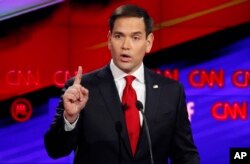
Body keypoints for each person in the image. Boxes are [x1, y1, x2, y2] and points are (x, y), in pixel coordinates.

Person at [44, 4, 200, 164]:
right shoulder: (82, 89)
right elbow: (55, 150)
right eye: (119, 36)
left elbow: (185, 155)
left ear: (149, 42)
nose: (126, 46)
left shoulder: (171, 92)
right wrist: (70, 117)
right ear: (109, 40)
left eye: (135, 37)